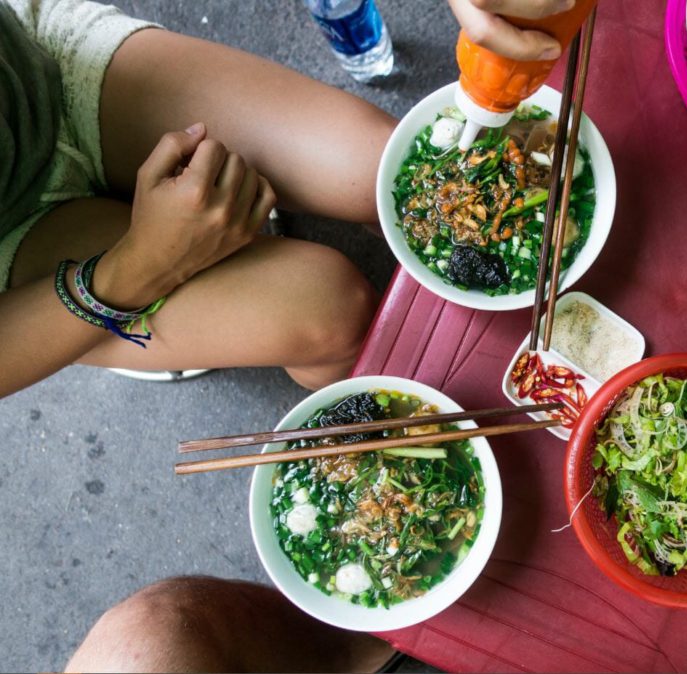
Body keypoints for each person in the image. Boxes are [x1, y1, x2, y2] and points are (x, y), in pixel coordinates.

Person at [50, 0, 573, 671]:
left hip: (37, 77)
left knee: (377, 173)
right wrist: (146, 263)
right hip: (37, 287)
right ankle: (356, 650)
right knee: (331, 306)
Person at [0, 0, 394, 398]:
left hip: (31, 69)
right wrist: (145, 265)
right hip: (13, 249)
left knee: (388, 171)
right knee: (333, 314)